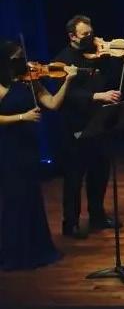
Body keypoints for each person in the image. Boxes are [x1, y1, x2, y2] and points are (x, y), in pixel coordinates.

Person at [53, 15, 124, 236]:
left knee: (100, 172)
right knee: (74, 177)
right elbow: (67, 95)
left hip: (100, 122)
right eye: (85, 34)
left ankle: (97, 216)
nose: (91, 37)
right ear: (72, 36)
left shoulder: (100, 56)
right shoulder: (62, 60)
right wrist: (96, 95)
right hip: (76, 126)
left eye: (91, 33)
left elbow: (116, 78)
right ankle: (70, 222)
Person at [0, 40, 77, 270]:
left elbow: (52, 104)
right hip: (9, 148)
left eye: (22, 55)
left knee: (32, 197)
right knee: (15, 199)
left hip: (29, 147)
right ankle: (14, 252)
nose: (21, 61)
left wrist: (68, 81)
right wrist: (22, 117)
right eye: (16, 57)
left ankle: (36, 247)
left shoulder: (31, 81)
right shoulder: (1, 86)